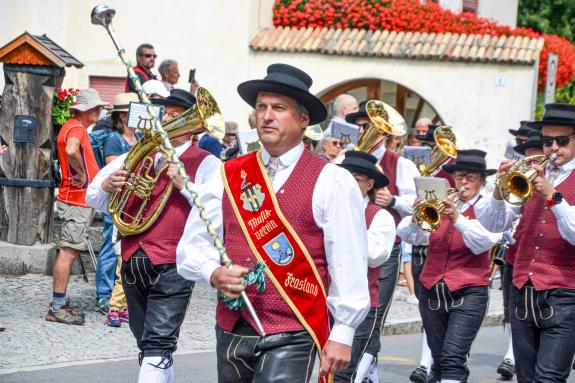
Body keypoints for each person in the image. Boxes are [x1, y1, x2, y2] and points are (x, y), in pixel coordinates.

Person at [176, 63, 370, 382]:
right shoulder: (227, 174)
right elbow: (192, 246)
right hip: (232, 328)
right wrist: (214, 272)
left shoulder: (332, 180)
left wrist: (344, 331)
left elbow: (348, 259)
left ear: (303, 119)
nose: (267, 115)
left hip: (294, 330)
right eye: (261, 107)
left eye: (279, 108)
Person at [86, 88, 221, 383]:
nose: (168, 119)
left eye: (176, 115)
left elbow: (216, 213)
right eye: (166, 113)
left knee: (158, 341)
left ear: (194, 126)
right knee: (146, 340)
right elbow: (92, 196)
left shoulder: (208, 162)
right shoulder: (135, 155)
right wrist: (109, 184)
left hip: (175, 261)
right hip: (134, 257)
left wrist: (185, 185)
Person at [475, 103, 575, 383]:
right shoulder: (530, 173)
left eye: (562, 140)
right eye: (547, 141)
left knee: (549, 378)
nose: (553, 147)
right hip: (522, 290)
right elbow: (493, 224)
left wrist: (553, 196)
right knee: (527, 378)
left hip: (564, 294)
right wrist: (498, 189)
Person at [398, 149, 502, 383]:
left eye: (470, 177)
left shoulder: (489, 209)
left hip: (468, 291)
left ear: (481, 181)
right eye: (459, 176)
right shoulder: (440, 202)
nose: (463, 182)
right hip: (432, 288)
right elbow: (407, 235)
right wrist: (417, 215)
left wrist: (457, 217)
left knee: (453, 357)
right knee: (437, 359)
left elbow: (484, 241)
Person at [345, 100, 418, 372]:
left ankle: (362, 374)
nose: (362, 131)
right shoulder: (346, 158)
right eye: (360, 126)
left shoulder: (401, 165)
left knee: (372, 317)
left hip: (385, 246)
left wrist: (395, 200)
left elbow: (419, 206)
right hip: (344, 247)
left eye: (368, 126)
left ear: (383, 132)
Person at [334, 151, 396, 382]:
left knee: (343, 375)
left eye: (356, 179)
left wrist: (350, 220)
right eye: (345, 177)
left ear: (370, 184)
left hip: (360, 306)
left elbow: (375, 255)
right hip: (325, 301)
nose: (349, 183)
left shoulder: (380, 217)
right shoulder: (329, 209)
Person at [46, 89, 106, 325]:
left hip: (76, 199)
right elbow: (71, 150)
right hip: (76, 199)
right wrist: (81, 173)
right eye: (96, 108)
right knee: (69, 251)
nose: (99, 111)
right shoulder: (77, 128)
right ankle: (57, 307)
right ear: (85, 110)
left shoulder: (72, 125)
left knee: (69, 250)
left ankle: (59, 303)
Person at [93, 92, 139, 315]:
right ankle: (104, 294)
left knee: (123, 250)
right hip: (117, 201)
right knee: (110, 248)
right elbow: (113, 169)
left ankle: (121, 297)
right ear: (122, 116)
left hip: (134, 202)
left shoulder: (138, 138)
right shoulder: (114, 139)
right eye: (134, 113)